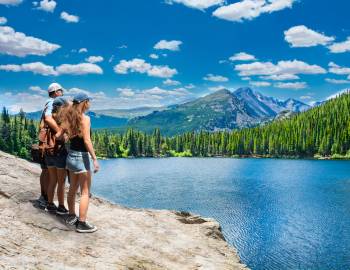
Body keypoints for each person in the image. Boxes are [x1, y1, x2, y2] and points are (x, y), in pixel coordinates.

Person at [58, 93, 100, 233]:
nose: (89, 104)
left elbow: (59, 136)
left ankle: (71, 216)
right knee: (85, 192)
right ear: (84, 103)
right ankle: (81, 223)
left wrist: (68, 135)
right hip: (82, 158)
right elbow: (87, 141)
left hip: (70, 157)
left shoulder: (68, 117)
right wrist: (94, 158)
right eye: (88, 102)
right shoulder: (85, 118)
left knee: (72, 188)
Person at [37, 83, 64, 208]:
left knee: (45, 170)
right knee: (48, 171)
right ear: (55, 92)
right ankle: (46, 198)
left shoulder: (48, 102)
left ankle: (44, 197)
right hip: (50, 142)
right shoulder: (52, 103)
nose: (62, 92)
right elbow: (48, 118)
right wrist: (60, 131)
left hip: (44, 142)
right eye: (60, 90)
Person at [45, 96, 69, 215]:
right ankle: (61, 206)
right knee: (61, 181)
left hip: (48, 151)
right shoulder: (62, 119)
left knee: (52, 180)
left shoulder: (49, 118)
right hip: (60, 152)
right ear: (62, 107)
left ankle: (49, 204)